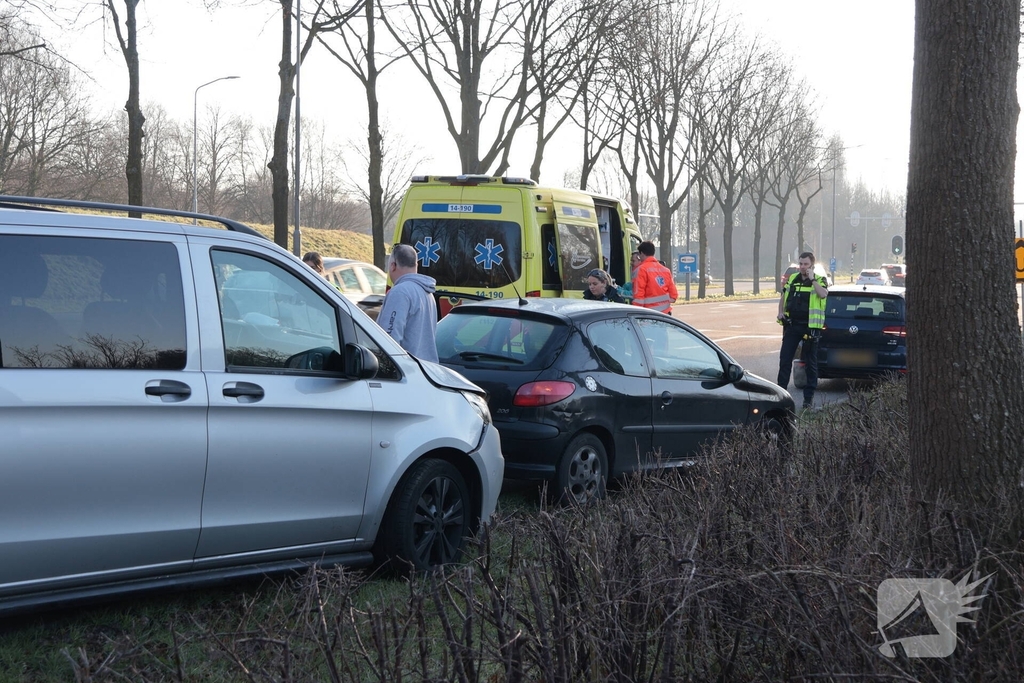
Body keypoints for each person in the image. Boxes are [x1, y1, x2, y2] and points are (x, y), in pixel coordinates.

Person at [777, 251, 829, 411]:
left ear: (812, 265)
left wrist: (812, 279)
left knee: (810, 364)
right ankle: (781, 397)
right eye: (800, 264)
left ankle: (808, 400)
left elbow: (823, 294)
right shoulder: (792, 279)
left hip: (810, 328)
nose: (802, 267)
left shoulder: (820, 280)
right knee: (785, 360)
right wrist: (780, 312)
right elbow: (783, 297)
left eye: (806, 264)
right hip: (792, 326)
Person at [378, 243, 439, 362]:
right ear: (416, 265)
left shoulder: (400, 292)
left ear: (393, 266)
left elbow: (389, 339)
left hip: (406, 372)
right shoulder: (427, 293)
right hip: (426, 370)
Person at [631, 241, 678, 313]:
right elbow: (673, 296)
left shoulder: (641, 269)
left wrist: (637, 312)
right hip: (665, 314)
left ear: (642, 254)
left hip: (650, 314)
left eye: (639, 255)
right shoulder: (666, 270)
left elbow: (639, 296)